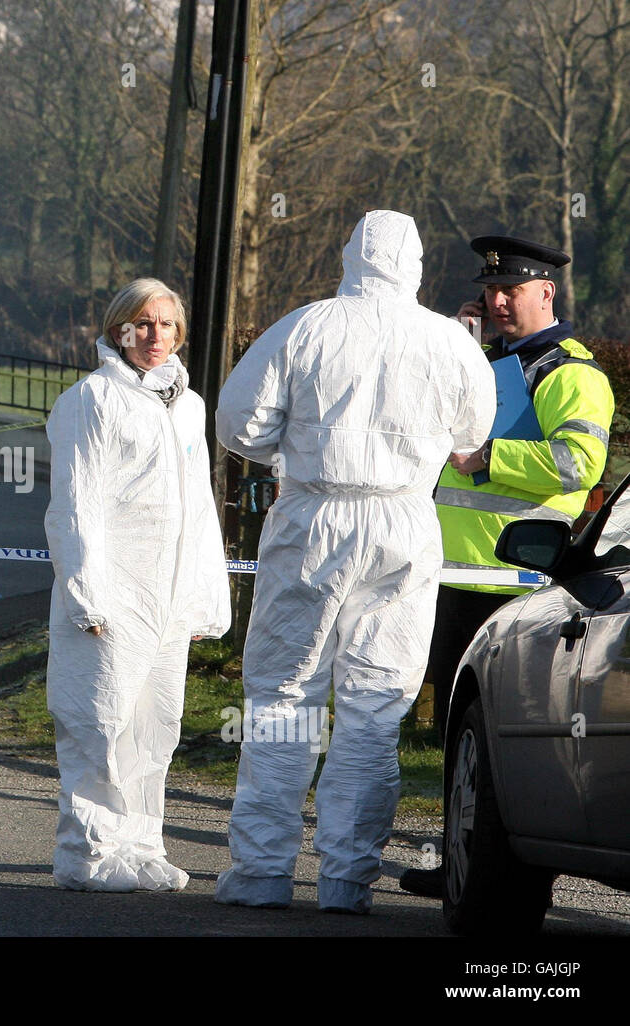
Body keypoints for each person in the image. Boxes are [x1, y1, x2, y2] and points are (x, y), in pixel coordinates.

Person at [213, 210, 496, 913]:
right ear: (418, 267)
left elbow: (237, 421)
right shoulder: (450, 342)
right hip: (404, 519)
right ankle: (345, 881)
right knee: (374, 707)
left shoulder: (305, 326)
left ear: (350, 256)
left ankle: (260, 872)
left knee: (283, 697)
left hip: (314, 512)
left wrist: (290, 449)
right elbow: (473, 433)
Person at [401, 234, 615, 900]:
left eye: (510, 291)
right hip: (460, 578)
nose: (496, 301)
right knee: (462, 738)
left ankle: (490, 874)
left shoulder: (567, 371)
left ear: (545, 293)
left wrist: (489, 457)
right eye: (490, 289)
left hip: (518, 584)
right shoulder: (494, 362)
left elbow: (580, 466)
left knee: (499, 743)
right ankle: (463, 860)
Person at [44, 277, 231, 892]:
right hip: (114, 592)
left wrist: (207, 591)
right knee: (99, 721)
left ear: (181, 332)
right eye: (141, 325)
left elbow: (199, 506)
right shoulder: (91, 399)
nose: (154, 337)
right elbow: (76, 506)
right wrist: (85, 592)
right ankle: (89, 855)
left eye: (166, 325)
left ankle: (141, 847)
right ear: (118, 328)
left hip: (170, 595)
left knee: (156, 724)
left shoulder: (189, 404)